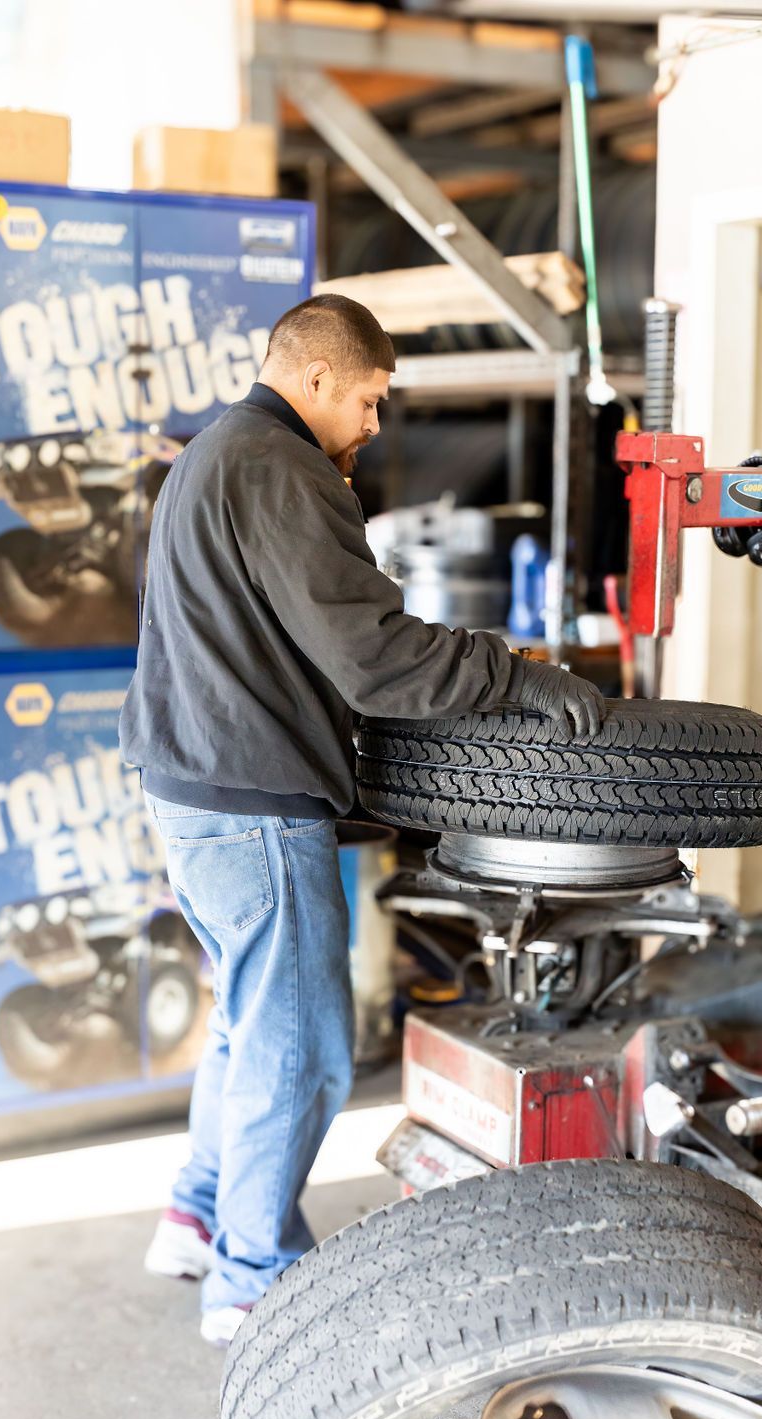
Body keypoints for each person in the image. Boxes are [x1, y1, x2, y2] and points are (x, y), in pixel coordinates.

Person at [120, 294, 604, 1346]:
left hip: (194, 788)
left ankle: (196, 1216)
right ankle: (252, 1279)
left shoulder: (217, 452)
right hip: (248, 801)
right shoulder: (283, 467)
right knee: (300, 1049)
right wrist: (510, 676)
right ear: (321, 377)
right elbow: (372, 654)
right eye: (373, 400)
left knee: (249, 1025)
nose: (376, 424)